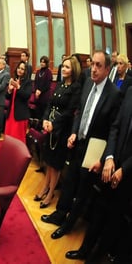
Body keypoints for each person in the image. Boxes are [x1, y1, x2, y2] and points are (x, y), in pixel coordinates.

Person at [40, 50, 121, 240]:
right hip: (79, 143)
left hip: (95, 149)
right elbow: (79, 113)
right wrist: (74, 132)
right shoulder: (87, 86)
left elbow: (113, 129)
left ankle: (68, 225)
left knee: (83, 189)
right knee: (69, 182)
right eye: (92, 64)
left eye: (98, 65)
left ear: (108, 69)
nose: (93, 69)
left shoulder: (114, 94)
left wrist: (103, 158)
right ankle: (60, 214)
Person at [65, 86, 132, 262]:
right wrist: (108, 157)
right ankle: (84, 252)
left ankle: (95, 258)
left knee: (113, 220)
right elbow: (115, 127)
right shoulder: (130, 91)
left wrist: (124, 169)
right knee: (98, 212)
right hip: (110, 166)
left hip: (127, 175)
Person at [34, 56, 82, 209]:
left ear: (73, 70)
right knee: (48, 160)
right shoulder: (60, 84)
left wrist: (54, 124)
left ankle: (50, 193)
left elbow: (69, 112)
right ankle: (45, 187)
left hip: (62, 130)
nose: (64, 69)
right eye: (63, 66)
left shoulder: (76, 88)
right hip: (51, 127)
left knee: (56, 164)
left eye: (67, 67)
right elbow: (49, 104)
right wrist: (45, 120)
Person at [4, 61, 32, 143]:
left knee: (18, 138)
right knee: (9, 136)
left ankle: (19, 155)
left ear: (26, 71)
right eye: (19, 68)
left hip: (20, 114)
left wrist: (18, 87)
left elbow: (27, 96)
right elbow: (7, 97)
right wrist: (9, 90)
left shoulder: (28, 82)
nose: (19, 70)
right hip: (11, 113)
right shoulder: (14, 79)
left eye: (22, 69)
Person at [32, 55, 52, 120]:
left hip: (45, 95)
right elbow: (35, 82)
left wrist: (40, 91)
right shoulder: (38, 72)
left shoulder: (49, 72)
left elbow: (48, 84)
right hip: (37, 95)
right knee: (37, 111)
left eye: (43, 62)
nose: (42, 63)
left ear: (46, 63)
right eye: (41, 62)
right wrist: (36, 91)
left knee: (43, 112)